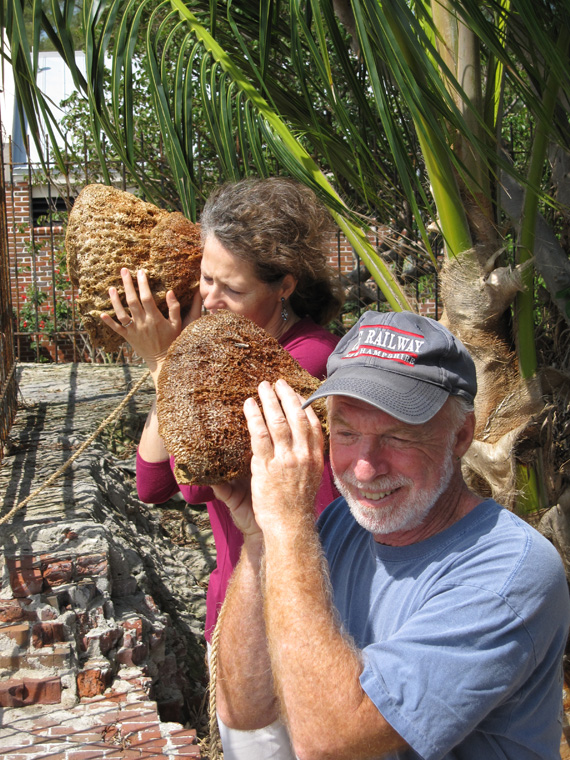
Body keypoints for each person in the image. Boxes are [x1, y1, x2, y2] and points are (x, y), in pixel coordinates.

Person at [214, 309, 570, 760]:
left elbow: (329, 741)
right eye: (345, 433)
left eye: (398, 437)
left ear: (461, 435)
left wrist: (286, 525)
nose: (364, 468)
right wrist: (262, 537)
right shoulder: (339, 524)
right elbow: (245, 709)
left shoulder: (510, 573)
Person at [100, 177, 344, 758]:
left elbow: (189, 478)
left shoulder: (303, 362)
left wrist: (168, 362)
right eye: (205, 277)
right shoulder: (220, 348)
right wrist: (178, 365)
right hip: (239, 604)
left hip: (299, 618)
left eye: (228, 287)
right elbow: (151, 481)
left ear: (284, 285)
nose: (207, 298)